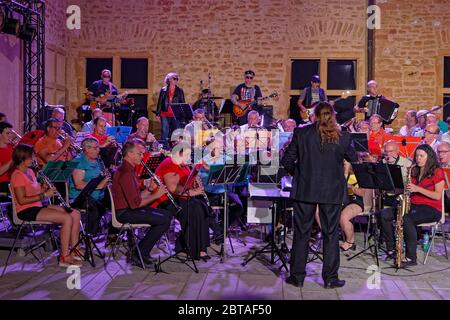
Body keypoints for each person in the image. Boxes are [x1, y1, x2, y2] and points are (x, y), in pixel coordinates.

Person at [282, 102, 357, 289]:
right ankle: (330, 278)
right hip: (331, 191)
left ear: (314, 115)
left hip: (305, 189)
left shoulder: (302, 133)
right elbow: (354, 158)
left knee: (302, 232)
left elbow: (287, 160)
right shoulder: (343, 136)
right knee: (331, 234)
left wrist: (298, 174)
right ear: (332, 116)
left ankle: (297, 276)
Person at [10, 144, 82, 266]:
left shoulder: (30, 172)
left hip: (37, 206)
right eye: (31, 157)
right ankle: (64, 256)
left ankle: (75, 248)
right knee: (66, 218)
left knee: (74, 213)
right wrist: (44, 195)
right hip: (26, 210)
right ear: (22, 159)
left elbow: (35, 191)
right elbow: (22, 200)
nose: (33, 159)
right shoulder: (17, 175)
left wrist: (43, 188)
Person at [111, 139, 173, 268]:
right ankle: (139, 253)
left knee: (167, 215)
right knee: (163, 221)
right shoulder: (125, 172)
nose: (142, 156)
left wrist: (149, 189)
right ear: (130, 154)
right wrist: (156, 195)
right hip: (124, 213)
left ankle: (141, 252)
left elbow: (137, 197)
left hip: (130, 209)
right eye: (139, 154)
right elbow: (135, 204)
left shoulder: (130, 170)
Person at [382, 144, 444, 267]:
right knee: (384, 215)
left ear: (429, 157)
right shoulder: (414, 170)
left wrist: (418, 189)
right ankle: (392, 249)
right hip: (414, 206)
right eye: (417, 156)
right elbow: (409, 190)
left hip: (431, 209)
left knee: (407, 219)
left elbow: (437, 196)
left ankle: (411, 257)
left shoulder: (437, 171)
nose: (418, 158)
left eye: (421, 156)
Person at [153, 142, 212, 261]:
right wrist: (193, 192)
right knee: (194, 209)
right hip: (166, 200)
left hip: (180, 198)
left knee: (202, 206)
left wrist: (195, 181)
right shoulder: (169, 164)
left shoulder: (183, 164)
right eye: (186, 155)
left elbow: (186, 183)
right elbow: (173, 189)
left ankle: (198, 246)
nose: (189, 159)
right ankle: (192, 247)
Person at [69, 137, 111, 235]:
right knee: (95, 206)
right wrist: (99, 186)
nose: (98, 150)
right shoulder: (78, 161)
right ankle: (90, 236)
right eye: (95, 148)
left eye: (98, 147)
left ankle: (113, 233)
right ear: (87, 149)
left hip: (97, 194)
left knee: (116, 201)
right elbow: (79, 185)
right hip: (80, 197)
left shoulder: (97, 160)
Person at [339, 161, 368, 251]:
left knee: (344, 217)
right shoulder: (338, 172)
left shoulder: (359, 174)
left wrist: (350, 187)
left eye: (346, 161)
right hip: (340, 201)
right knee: (318, 211)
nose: (344, 163)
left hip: (355, 201)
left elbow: (362, 193)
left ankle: (350, 241)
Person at [155, 72, 186, 149]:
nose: (176, 80)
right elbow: (160, 101)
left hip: (175, 114)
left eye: (177, 79)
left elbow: (182, 102)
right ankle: (164, 149)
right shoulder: (163, 90)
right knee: (164, 132)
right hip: (164, 113)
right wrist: (157, 113)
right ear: (169, 79)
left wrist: (182, 114)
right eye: (174, 78)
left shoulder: (179, 90)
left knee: (176, 132)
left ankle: (176, 148)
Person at [0, 122, 14, 199]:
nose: (10, 136)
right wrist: (14, 159)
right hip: (3, 183)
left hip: (15, 180)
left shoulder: (13, 147)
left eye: (11, 133)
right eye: (8, 133)